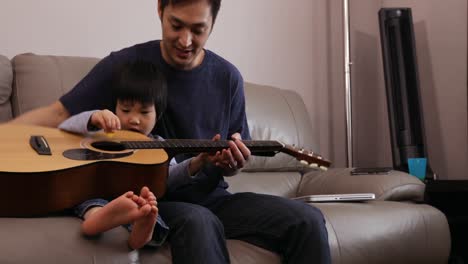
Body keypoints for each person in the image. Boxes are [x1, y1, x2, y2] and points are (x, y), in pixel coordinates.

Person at [11, 0, 332, 263]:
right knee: (199, 221)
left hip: (212, 196)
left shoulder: (228, 78)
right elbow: (58, 115)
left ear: (213, 24)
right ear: (160, 10)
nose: (186, 40)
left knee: (307, 220)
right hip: (152, 198)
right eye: (176, 25)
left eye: (198, 29)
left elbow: (237, 156)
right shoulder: (127, 66)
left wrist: (232, 162)